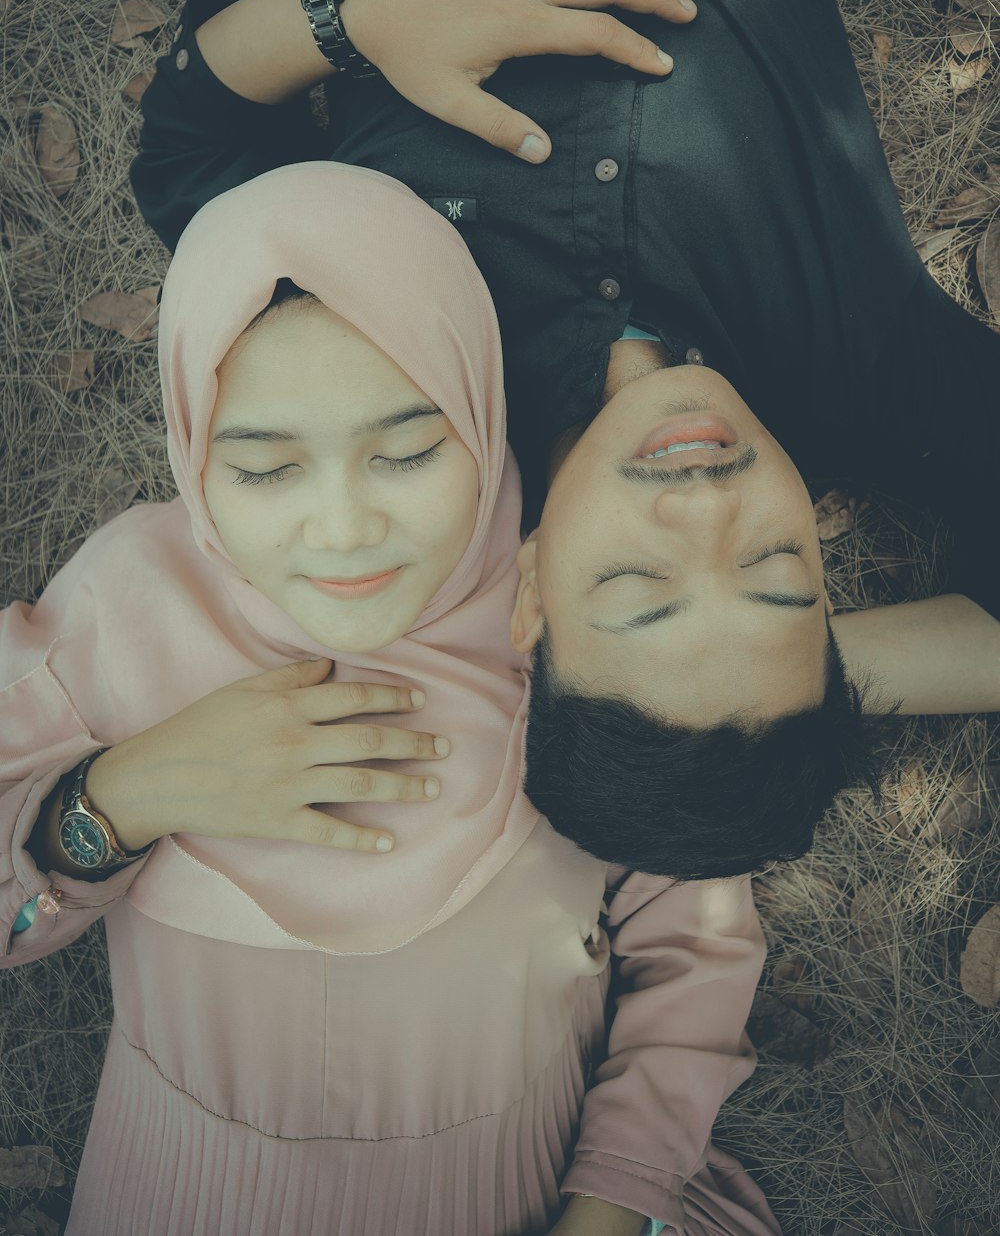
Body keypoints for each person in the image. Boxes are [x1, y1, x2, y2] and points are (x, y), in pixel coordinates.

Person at [131, 0, 1000, 883]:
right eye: (779, 574)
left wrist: (355, 12)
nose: (707, 510)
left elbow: (188, 150)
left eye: (638, 585)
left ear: (530, 591)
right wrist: (805, 673)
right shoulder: (868, 373)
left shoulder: (394, 369)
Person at [1, 161, 777, 1236]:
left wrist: (605, 1211)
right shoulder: (126, 604)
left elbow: (697, 938)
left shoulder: (571, 613)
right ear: (192, 454)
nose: (344, 527)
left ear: (480, 407)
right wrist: (133, 791)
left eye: (407, 449)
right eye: (268, 470)